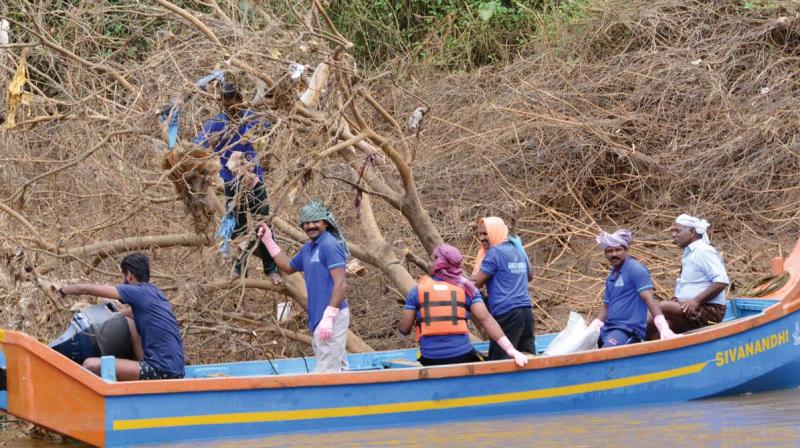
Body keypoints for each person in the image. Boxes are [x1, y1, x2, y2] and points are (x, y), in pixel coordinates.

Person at [194, 81, 281, 285]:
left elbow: (270, 124)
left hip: (254, 179)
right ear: (222, 101)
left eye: (233, 99)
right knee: (237, 226)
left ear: (239, 98)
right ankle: (240, 267)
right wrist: (216, 139)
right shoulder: (216, 122)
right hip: (231, 181)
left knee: (263, 223)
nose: (230, 105)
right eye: (226, 101)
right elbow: (199, 145)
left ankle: (271, 268)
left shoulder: (250, 116)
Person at [51, 253, 185, 381]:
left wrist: (62, 290)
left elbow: (85, 289)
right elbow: (128, 314)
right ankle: (140, 363)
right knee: (131, 323)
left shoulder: (135, 291)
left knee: (90, 364)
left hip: (160, 370)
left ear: (129, 276)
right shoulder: (156, 294)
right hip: (176, 368)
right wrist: (113, 314)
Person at [257, 200, 350, 372]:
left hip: (332, 316)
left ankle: (326, 399)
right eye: (307, 223)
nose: (311, 226)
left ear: (325, 223)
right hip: (319, 317)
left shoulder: (330, 245)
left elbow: (341, 283)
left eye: (315, 221)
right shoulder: (309, 248)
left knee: (327, 371)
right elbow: (288, 266)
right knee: (338, 366)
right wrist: (268, 241)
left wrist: (329, 316)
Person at [399, 244, 529, 367]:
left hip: (429, 359)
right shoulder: (467, 289)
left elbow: (404, 329)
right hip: (461, 355)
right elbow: (486, 319)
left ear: (439, 264)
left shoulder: (416, 291)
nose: (429, 263)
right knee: (480, 359)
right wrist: (511, 349)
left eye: (431, 259)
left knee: (420, 355)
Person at [590, 229, 676, 347]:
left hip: (627, 330)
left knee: (606, 352)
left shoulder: (636, 269)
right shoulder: (611, 275)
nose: (614, 254)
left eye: (618, 250)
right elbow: (606, 306)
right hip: (609, 328)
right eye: (609, 251)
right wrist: (593, 327)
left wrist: (663, 328)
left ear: (626, 250)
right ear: (605, 253)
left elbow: (649, 299)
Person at [647, 214, 729, 338]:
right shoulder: (689, 253)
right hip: (689, 308)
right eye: (673, 231)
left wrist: (695, 301)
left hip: (709, 310)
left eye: (677, 231)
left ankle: (634, 332)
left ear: (691, 231)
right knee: (661, 327)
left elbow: (721, 281)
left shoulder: (703, 251)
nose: (673, 235)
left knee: (661, 307)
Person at [471, 217, 535, 359]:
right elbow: (530, 275)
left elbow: (475, 284)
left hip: (507, 315)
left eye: (486, 234)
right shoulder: (517, 249)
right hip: (526, 312)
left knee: (499, 361)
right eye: (480, 234)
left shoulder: (494, 253)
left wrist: (457, 280)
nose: (482, 238)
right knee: (528, 357)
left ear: (495, 232)